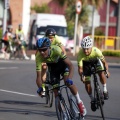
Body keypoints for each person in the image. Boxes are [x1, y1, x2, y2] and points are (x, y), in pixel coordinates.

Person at [35, 37, 87, 116]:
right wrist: (40, 87)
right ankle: (64, 114)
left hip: (62, 65)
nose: (42, 52)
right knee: (56, 93)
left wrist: (69, 78)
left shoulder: (57, 50)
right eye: (40, 50)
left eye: (44, 49)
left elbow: (70, 65)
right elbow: (38, 77)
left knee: (67, 82)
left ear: (49, 47)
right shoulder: (38, 57)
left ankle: (79, 101)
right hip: (53, 69)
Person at [77, 36, 110, 111]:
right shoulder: (80, 54)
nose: (85, 51)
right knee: (87, 82)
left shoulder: (96, 51)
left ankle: (105, 89)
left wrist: (106, 71)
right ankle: (92, 99)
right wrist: (82, 75)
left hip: (96, 62)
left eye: (87, 48)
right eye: (84, 49)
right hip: (86, 65)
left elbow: (104, 62)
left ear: (91, 47)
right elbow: (80, 68)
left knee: (101, 73)